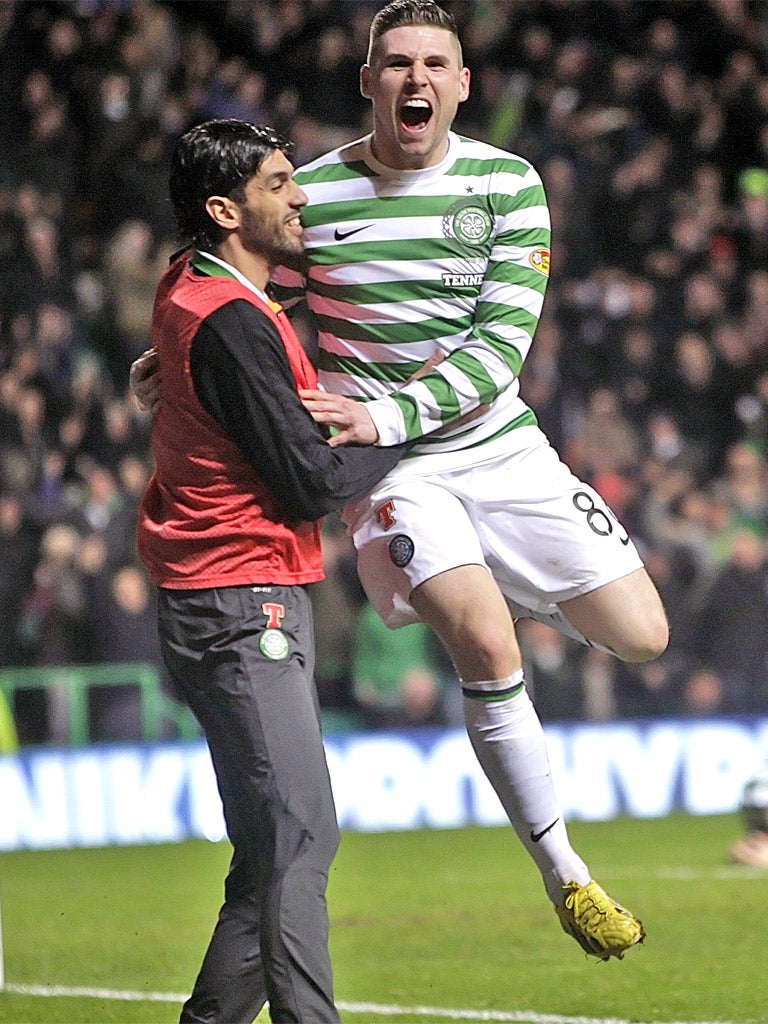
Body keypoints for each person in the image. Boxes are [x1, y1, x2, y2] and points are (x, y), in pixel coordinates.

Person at [132, 0, 668, 962]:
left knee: (642, 635)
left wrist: (387, 409)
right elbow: (246, 281)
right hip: (389, 469)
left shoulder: (511, 184)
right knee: (482, 636)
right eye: (396, 63)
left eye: (435, 63)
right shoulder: (317, 192)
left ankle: (495, 573)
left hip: (499, 446)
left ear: (463, 85)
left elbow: (501, 346)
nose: (415, 78)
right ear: (369, 80)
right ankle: (568, 877)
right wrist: (171, 350)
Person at [136, 119, 413, 1024]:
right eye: (281, 183)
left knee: (271, 850)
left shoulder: (195, 286)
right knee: (298, 834)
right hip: (241, 595)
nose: (302, 198)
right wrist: (398, 427)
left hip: (215, 592)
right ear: (225, 210)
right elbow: (304, 482)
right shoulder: (230, 324)